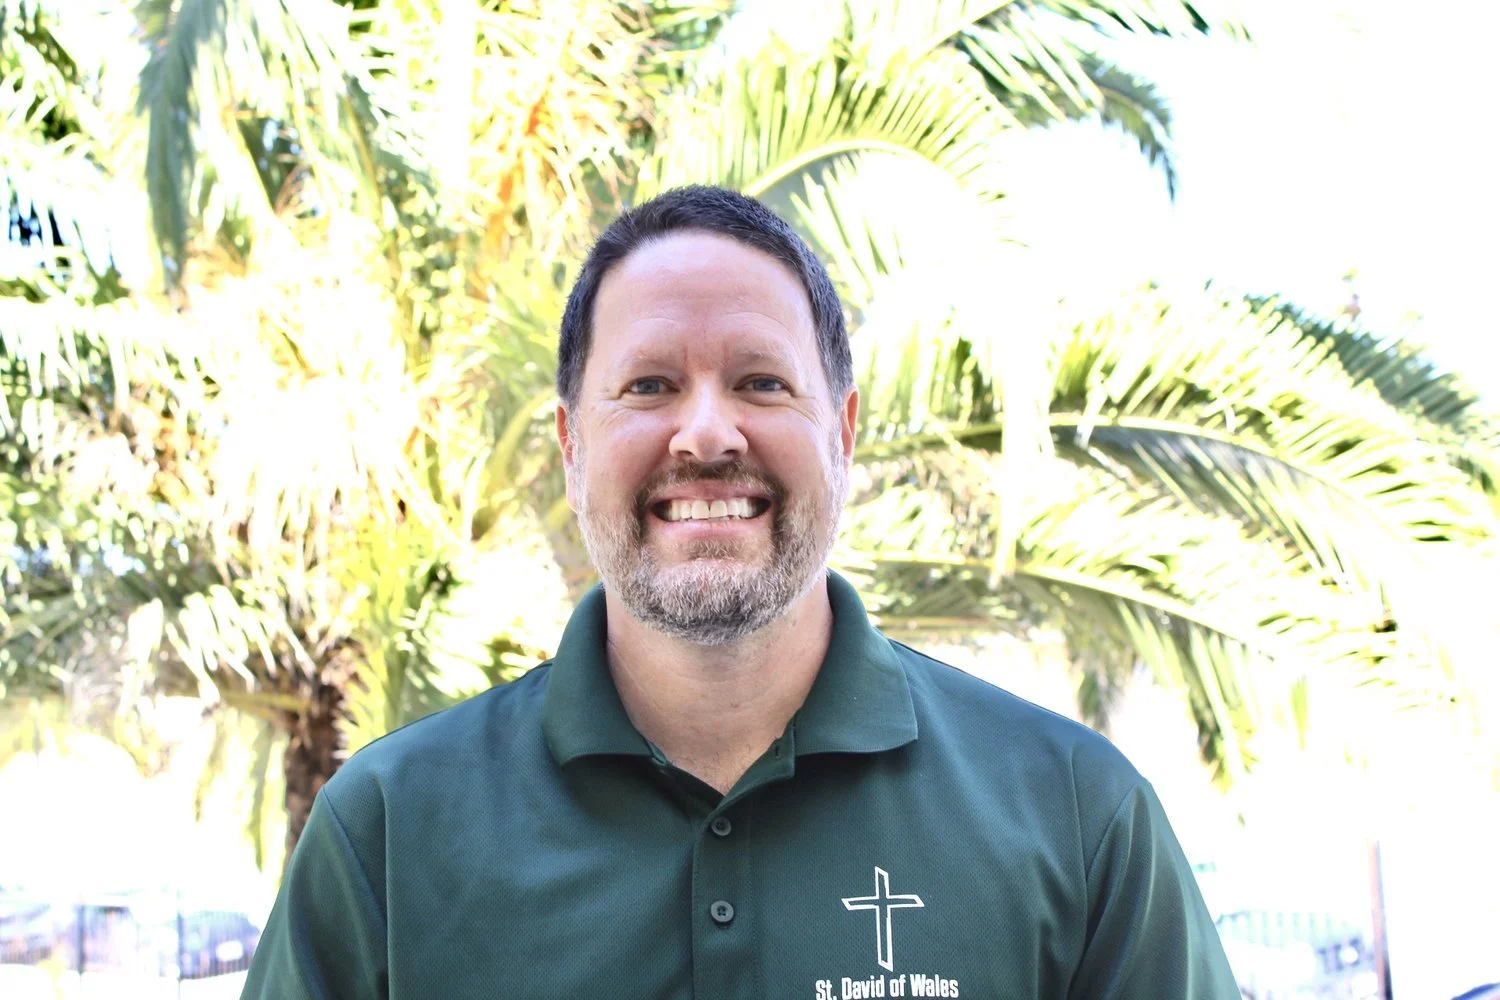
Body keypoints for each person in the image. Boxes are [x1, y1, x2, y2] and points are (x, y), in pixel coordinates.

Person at [241, 186, 1241, 999]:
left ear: (844, 431)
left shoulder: (1076, 815)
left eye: (762, 382)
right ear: (569, 441)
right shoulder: (385, 834)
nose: (709, 435)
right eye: (648, 386)